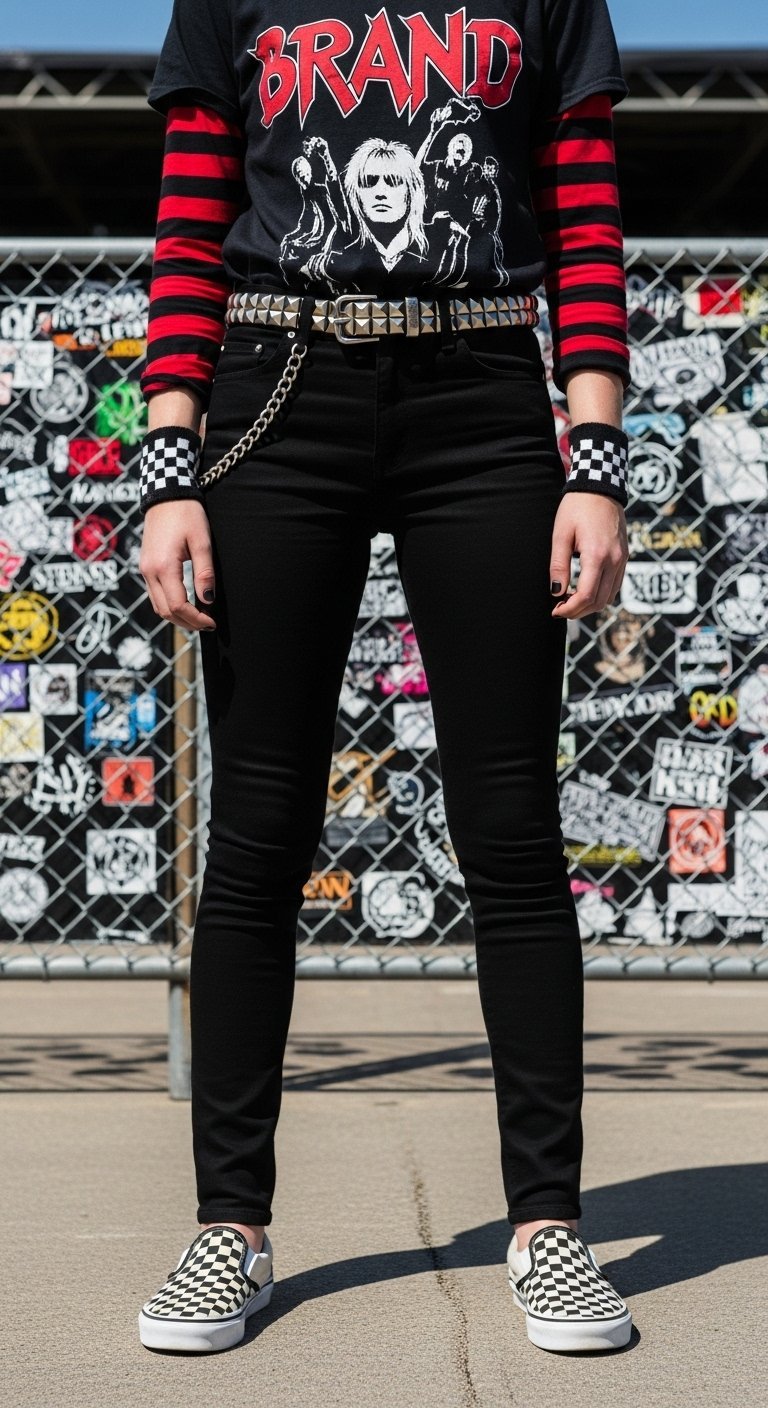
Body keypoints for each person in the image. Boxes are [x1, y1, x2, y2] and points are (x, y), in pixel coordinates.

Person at [136, 0, 635, 1357]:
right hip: (272, 383)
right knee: (258, 830)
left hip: (481, 390)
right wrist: (169, 469)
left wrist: (596, 460)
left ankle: (548, 1226)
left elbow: (584, 222)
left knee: (513, 828)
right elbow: (187, 232)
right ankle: (228, 1226)